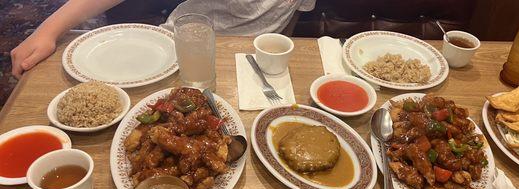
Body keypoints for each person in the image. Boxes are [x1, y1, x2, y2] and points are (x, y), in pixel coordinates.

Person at [10, 0, 315, 78]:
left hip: (248, 68)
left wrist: (273, 63)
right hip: (179, 54)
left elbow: (288, 20)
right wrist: (48, 31)